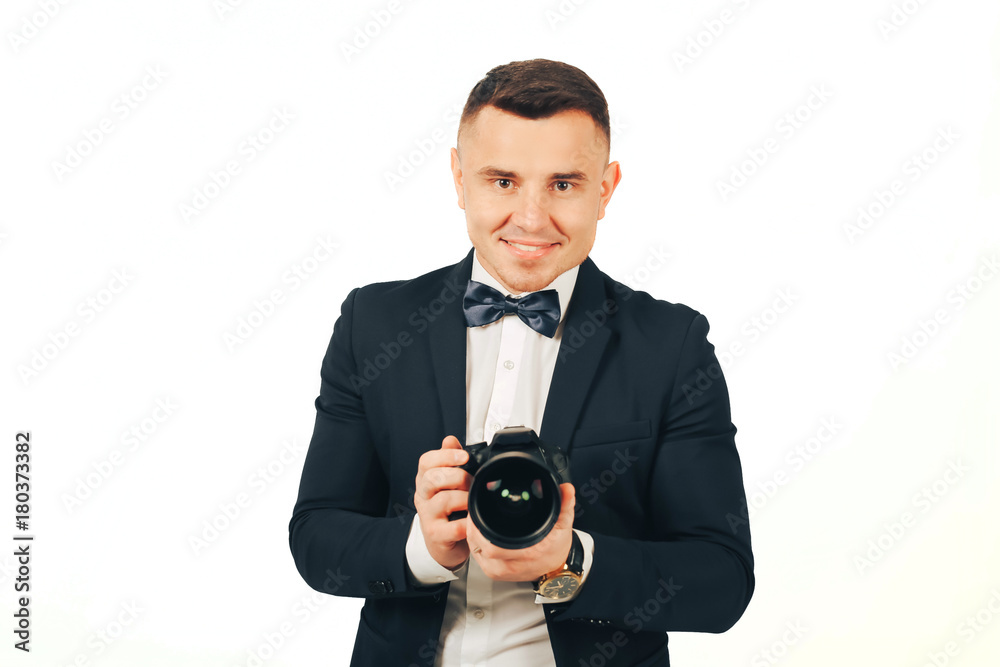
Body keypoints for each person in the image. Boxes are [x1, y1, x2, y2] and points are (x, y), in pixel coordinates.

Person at [289, 58, 754, 666]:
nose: (531, 219)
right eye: (502, 181)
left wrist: (572, 562)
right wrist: (422, 546)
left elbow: (720, 581)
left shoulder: (672, 344)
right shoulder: (372, 325)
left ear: (606, 188)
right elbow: (316, 536)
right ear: (459, 178)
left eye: (563, 184)